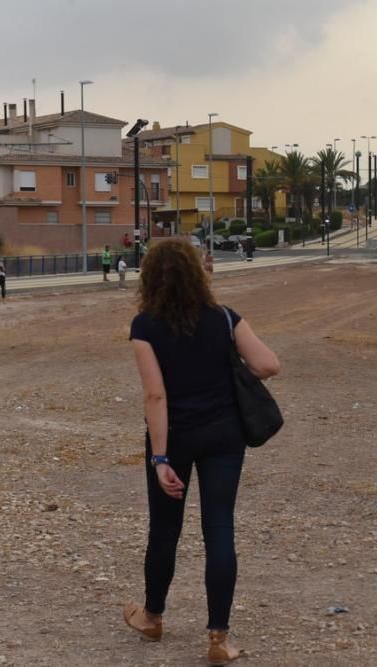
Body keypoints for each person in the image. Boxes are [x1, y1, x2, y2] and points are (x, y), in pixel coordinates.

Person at [123, 239, 280, 666]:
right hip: (224, 436)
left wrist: (159, 459)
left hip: (172, 439)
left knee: (164, 530)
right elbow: (268, 364)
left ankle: (153, 617)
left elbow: (155, 396)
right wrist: (228, 373)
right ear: (199, 272)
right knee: (219, 529)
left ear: (150, 278)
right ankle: (218, 638)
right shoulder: (225, 318)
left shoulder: (145, 326)